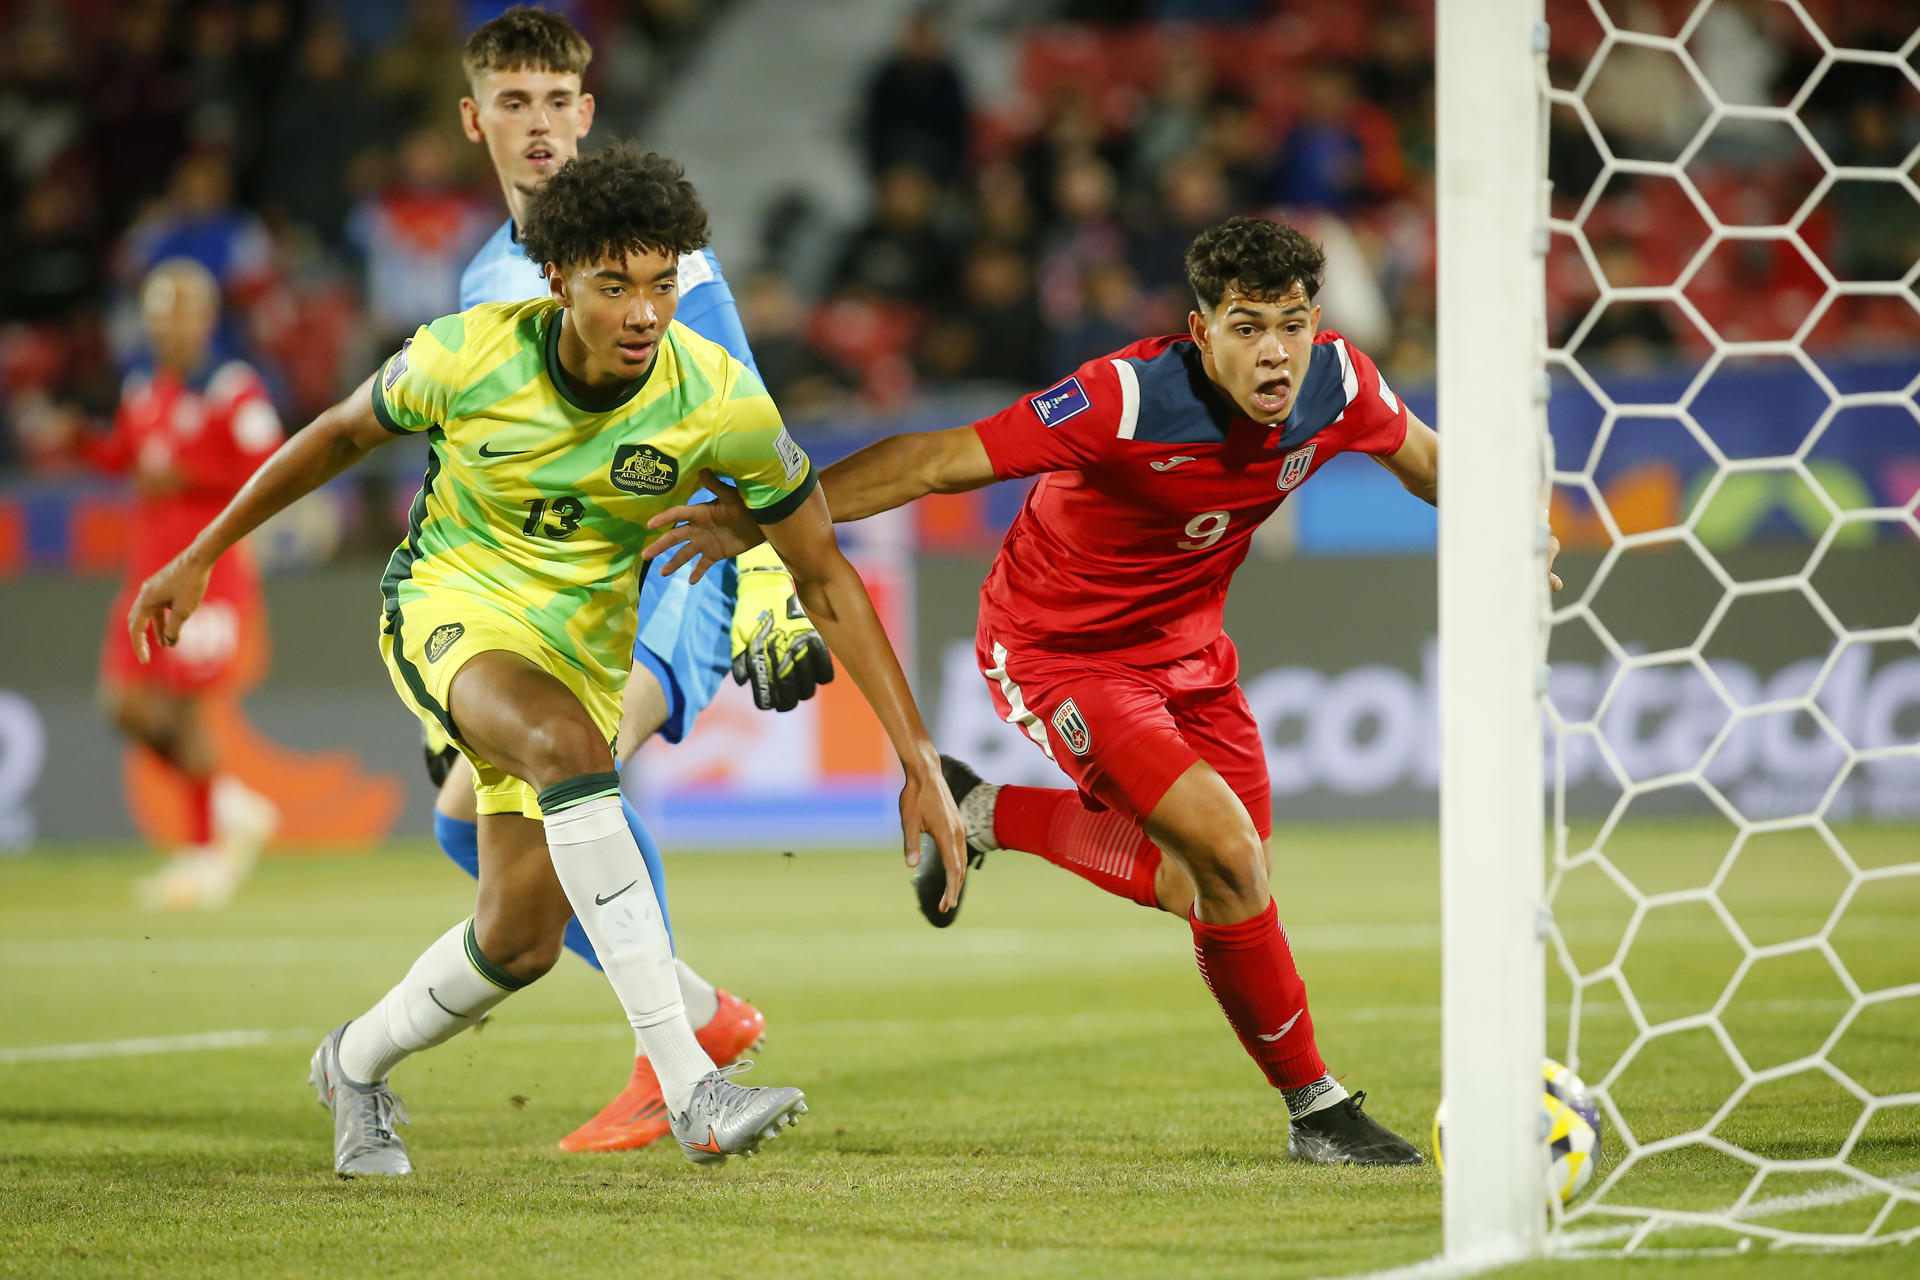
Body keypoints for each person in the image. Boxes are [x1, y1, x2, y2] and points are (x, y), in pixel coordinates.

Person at [645, 216, 1560, 1165]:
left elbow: (1427, 462)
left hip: (1193, 652)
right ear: (1200, 332)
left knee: (1202, 883)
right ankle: (1318, 1112)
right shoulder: (1122, 398)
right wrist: (757, 521)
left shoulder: (1339, 383)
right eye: (1246, 326)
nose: (1275, 351)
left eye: (1291, 323)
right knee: (1231, 859)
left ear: (1316, 322)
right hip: (1059, 652)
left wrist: (1518, 528)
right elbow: (932, 460)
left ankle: (982, 809)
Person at [127, 146, 967, 1175]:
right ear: (558, 276)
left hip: (582, 648)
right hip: (449, 610)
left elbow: (826, 573)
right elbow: (339, 434)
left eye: (663, 284)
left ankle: (351, 1062)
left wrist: (919, 757)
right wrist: (202, 551)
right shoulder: (467, 354)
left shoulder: (718, 399)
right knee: (571, 748)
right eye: (615, 284)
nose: (644, 313)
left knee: (519, 937)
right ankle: (691, 1080)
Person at [444, 6, 836, 1155]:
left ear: (590, 110)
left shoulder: (666, 248)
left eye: (559, 101)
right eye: (514, 103)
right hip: (559, 587)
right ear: (477, 120)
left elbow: (746, 417)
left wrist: (768, 589)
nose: (539, 126)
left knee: (583, 759)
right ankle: (700, 1008)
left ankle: (670, 1057)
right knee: (462, 824)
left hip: (673, 565)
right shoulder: (482, 280)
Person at [87, 258, 281, 911]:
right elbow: (129, 460)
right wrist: (77, 443)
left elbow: (271, 468)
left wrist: (191, 471)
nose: (169, 325)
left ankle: (203, 858)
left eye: (182, 310)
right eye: (158, 311)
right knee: (125, 705)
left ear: (208, 317)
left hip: (208, 574)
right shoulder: (142, 389)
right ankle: (230, 805)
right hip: (144, 572)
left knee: (192, 711)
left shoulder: (232, 388)